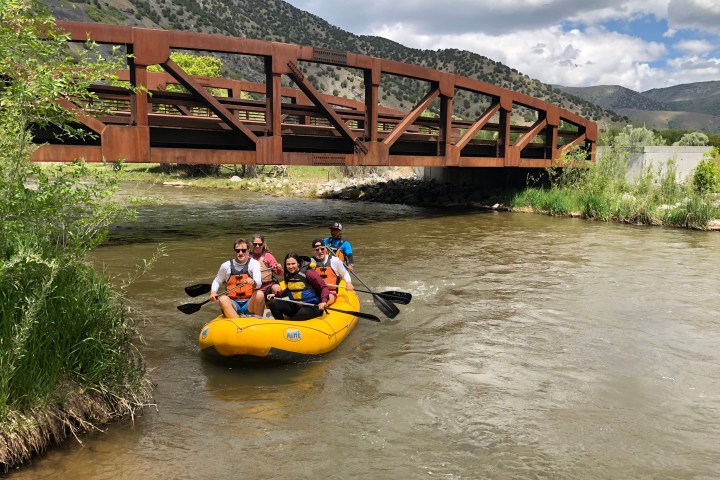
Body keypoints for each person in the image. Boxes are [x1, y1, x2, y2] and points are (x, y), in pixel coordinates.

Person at [210, 238, 264, 318]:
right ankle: (237, 322)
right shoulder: (225, 266)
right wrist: (213, 292)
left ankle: (258, 321)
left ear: (248, 250)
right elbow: (217, 280)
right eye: (237, 250)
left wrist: (254, 282)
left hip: (249, 304)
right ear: (234, 251)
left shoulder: (254, 264)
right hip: (234, 305)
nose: (241, 253)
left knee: (260, 294)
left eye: (243, 250)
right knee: (223, 299)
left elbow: (259, 283)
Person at [267, 252, 329, 320]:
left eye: (293, 264)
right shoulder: (290, 274)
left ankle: (292, 324)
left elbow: (324, 287)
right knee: (273, 303)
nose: (290, 267)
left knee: (302, 313)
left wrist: (323, 302)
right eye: (288, 264)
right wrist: (276, 295)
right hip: (297, 306)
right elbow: (290, 289)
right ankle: (281, 324)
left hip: (313, 307)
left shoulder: (308, 272)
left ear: (298, 263)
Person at [310, 238, 353, 306]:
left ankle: (324, 305)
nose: (320, 251)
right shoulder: (310, 262)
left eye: (322, 249)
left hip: (331, 292)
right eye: (317, 250)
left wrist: (348, 283)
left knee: (329, 297)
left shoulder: (335, 260)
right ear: (313, 251)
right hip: (317, 292)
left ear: (326, 249)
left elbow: (344, 274)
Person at [249, 234, 283, 302]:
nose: (257, 246)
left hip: (267, 286)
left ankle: (276, 304)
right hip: (253, 288)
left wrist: (279, 268)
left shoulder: (268, 256)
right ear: (252, 244)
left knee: (276, 288)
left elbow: (280, 273)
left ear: (263, 244)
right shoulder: (247, 257)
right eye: (255, 244)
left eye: (260, 244)